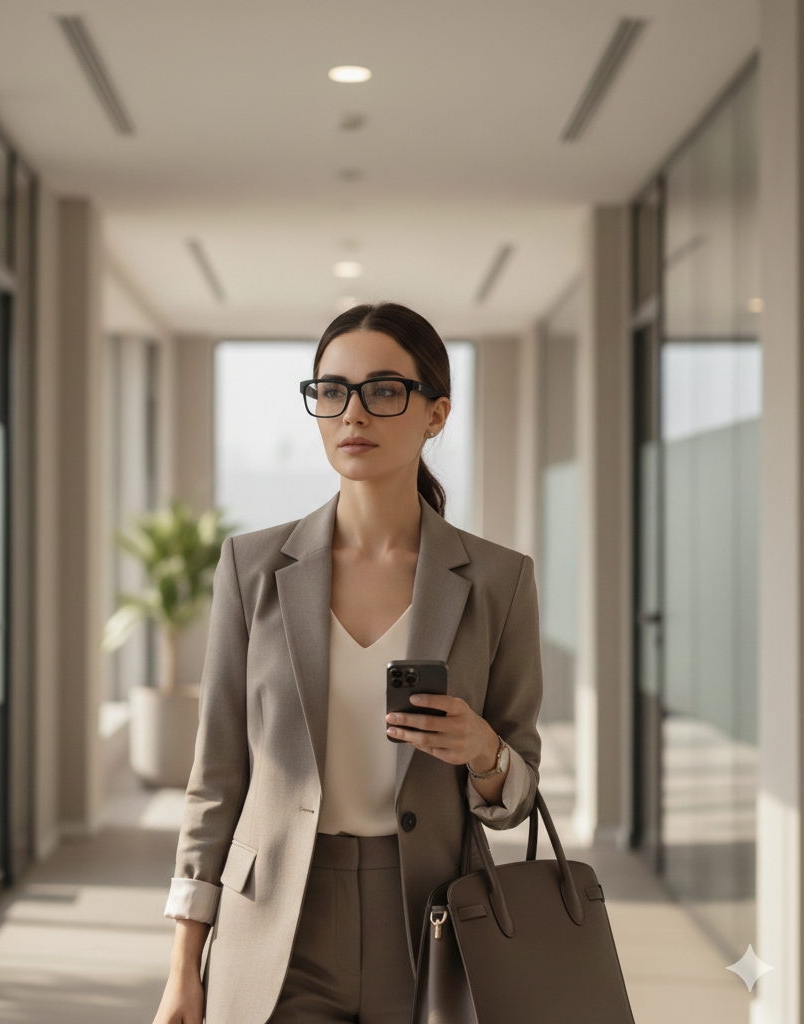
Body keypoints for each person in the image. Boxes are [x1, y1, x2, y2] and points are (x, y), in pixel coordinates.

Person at [151, 302, 542, 1024]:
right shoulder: (253, 568)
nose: (352, 413)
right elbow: (216, 781)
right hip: (276, 918)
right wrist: (183, 966)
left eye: (384, 390)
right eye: (332, 391)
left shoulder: (497, 580)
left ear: (436, 413)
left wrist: (484, 750)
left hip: (433, 919)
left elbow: (516, 795)